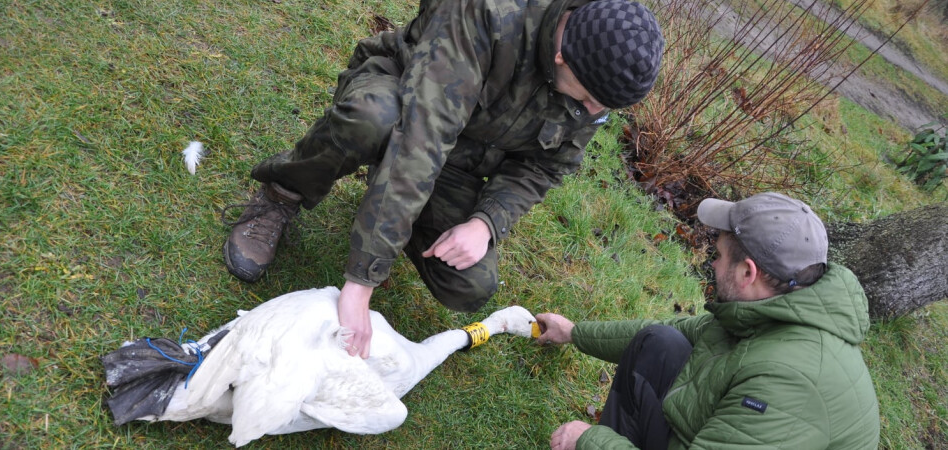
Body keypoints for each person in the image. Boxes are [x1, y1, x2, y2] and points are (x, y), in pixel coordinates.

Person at [222, 0, 665, 359]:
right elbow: (421, 138)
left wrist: (486, 222)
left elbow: (544, 166)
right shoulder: (486, 14)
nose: (590, 114)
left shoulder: (600, 73)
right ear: (560, 55)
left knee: (471, 284)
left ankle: (393, 212)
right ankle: (281, 194)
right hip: (401, 97)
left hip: (463, 156)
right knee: (372, 121)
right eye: (586, 100)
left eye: (599, 109)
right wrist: (360, 284)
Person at [535, 192, 880, 449]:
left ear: (748, 272)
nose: (712, 265)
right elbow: (669, 332)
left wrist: (591, 441)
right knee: (659, 344)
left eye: (718, 256)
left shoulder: (787, 382)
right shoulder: (770, 311)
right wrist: (573, 333)